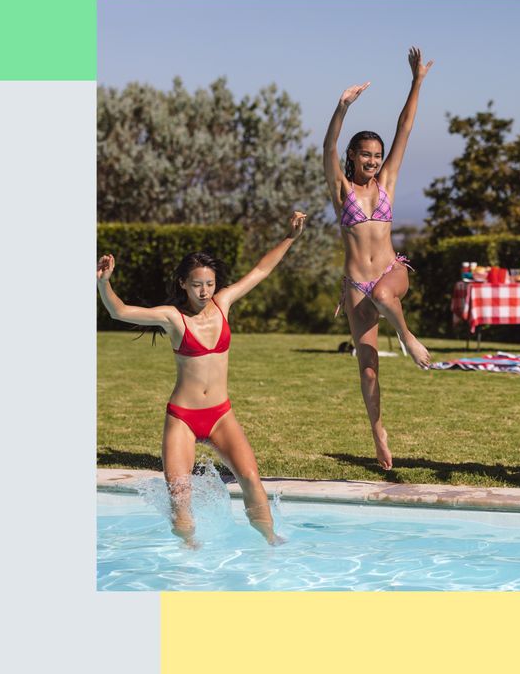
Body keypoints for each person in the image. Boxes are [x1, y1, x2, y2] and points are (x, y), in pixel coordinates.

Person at [96, 211, 306, 546]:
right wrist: (104, 283)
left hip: (221, 414)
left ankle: (270, 541)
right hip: (183, 417)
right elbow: (118, 311)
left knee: (251, 479)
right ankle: (188, 551)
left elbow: (261, 270)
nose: (205, 291)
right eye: (197, 284)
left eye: (209, 283)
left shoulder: (223, 304)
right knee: (180, 496)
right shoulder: (173, 318)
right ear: (183, 284)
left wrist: (290, 237)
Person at [323, 46, 434, 471]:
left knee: (388, 294)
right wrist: (341, 108)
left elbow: (404, 128)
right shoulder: (342, 191)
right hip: (356, 287)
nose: (372, 161)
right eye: (365, 155)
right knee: (367, 368)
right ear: (353, 157)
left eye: (376, 155)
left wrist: (416, 81)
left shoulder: (386, 181)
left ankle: (407, 337)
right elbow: (329, 143)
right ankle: (378, 433)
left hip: (391, 271)